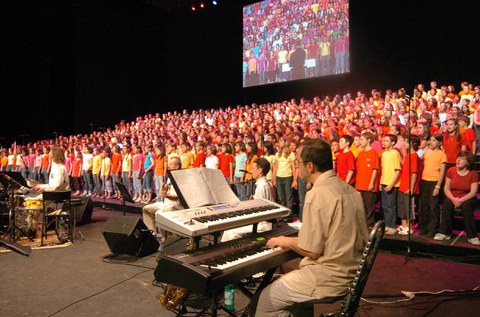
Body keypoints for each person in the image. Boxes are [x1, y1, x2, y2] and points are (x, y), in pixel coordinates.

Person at [253, 139, 368, 317]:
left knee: (263, 301)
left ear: (310, 166)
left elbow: (311, 250)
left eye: (298, 164)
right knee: (295, 300)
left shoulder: (318, 193)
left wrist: (284, 240)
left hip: (329, 277)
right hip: (352, 273)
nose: (297, 168)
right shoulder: (350, 190)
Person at [434, 151, 479, 245]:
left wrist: (461, 200)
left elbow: (473, 192)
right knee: (446, 203)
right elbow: (446, 188)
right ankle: (445, 232)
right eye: (458, 157)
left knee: (467, 206)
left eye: (462, 159)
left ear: (468, 162)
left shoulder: (473, 173)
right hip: (453, 196)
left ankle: (472, 236)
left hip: (467, 197)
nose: (458, 160)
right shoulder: (451, 170)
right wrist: (454, 199)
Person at [29, 147, 71, 236]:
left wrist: (43, 188)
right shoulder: (55, 166)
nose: (49, 154)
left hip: (57, 194)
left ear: (54, 154)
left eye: (50, 152)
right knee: (34, 203)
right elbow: (53, 185)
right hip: (55, 193)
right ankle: (32, 227)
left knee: (33, 203)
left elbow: (56, 186)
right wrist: (41, 187)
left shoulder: (59, 168)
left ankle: (31, 230)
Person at [142, 156, 183, 243]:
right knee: (146, 209)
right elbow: (166, 192)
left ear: (177, 166)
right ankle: (152, 234)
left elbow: (177, 196)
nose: (169, 166)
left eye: (171, 164)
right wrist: (163, 190)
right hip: (166, 203)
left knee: (159, 214)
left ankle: (164, 237)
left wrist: (166, 195)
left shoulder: (180, 178)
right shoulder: (169, 177)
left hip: (175, 205)